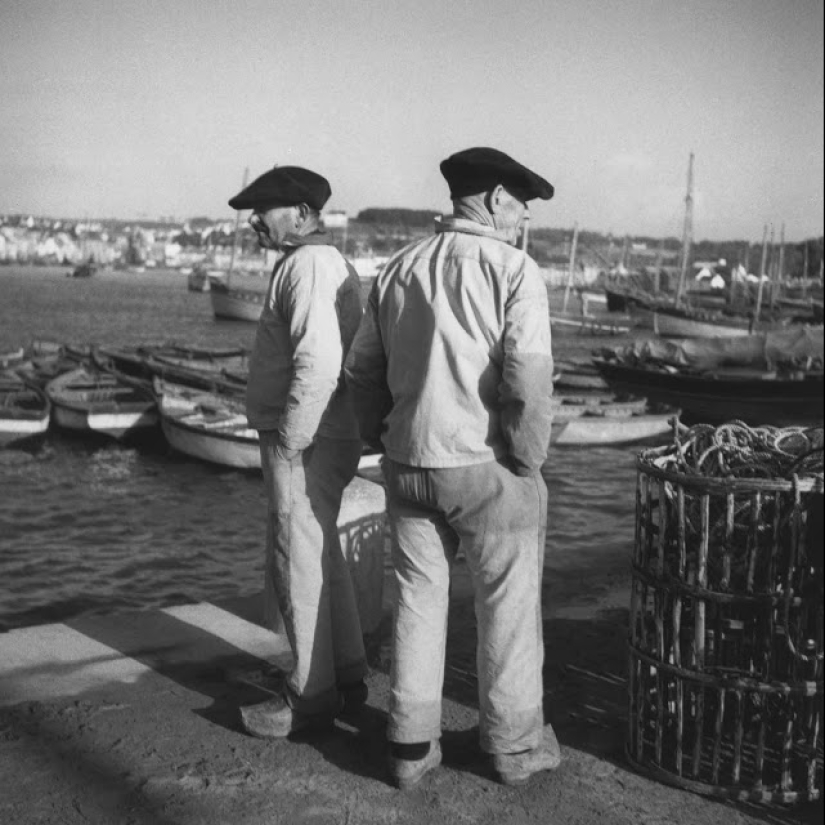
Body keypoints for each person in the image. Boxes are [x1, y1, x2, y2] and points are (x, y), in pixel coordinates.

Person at [345, 147, 558, 789]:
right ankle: (514, 747)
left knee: (418, 598)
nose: (525, 219)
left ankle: (409, 748)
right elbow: (527, 382)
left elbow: (362, 371)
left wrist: (381, 436)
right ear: (495, 199)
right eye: (522, 205)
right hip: (483, 464)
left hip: (408, 462)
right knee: (507, 602)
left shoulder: (398, 266)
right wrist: (527, 460)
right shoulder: (516, 270)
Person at [230, 165, 368, 738]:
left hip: (308, 438)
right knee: (320, 552)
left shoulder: (306, 266)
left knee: (297, 559)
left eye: (264, 210)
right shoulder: (322, 261)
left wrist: (290, 440)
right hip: (330, 432)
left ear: (304, 214)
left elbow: (318, 364)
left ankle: (309, 697)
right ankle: (348, 675)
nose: (254, 221)